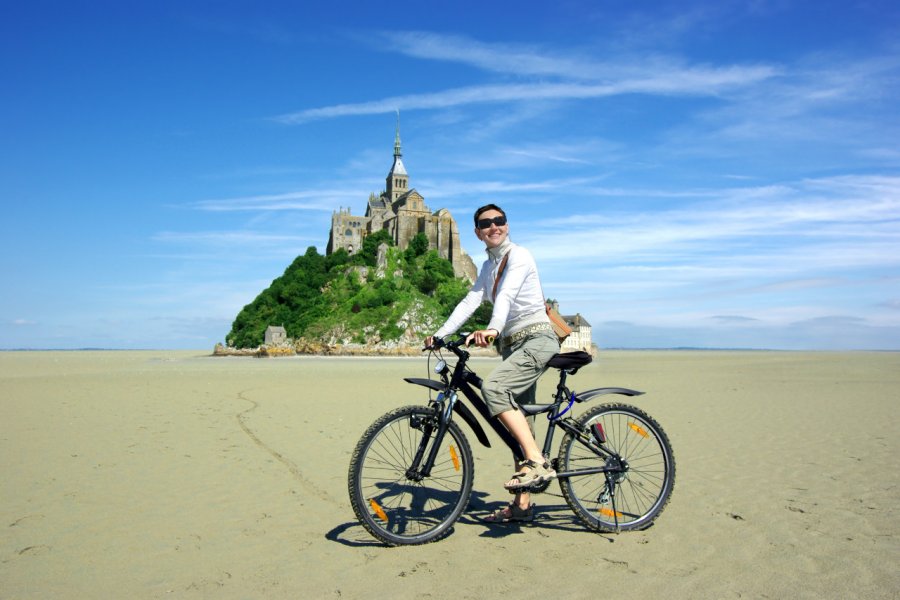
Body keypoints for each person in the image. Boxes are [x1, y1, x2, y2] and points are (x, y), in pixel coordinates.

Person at [425, 203, 560, 523]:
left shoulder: (520, 255)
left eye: (499, 221)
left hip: (537, 339)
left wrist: (493, 328)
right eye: (486, 224)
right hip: (512, 346)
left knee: (494, 388)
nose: (493, 226)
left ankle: (538, 462)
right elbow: (470, 301)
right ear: (477, 232)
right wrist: (440, 334)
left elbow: (507, 296)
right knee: (519, 428)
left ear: (507, 225)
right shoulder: (487, 267)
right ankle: (522, 506)